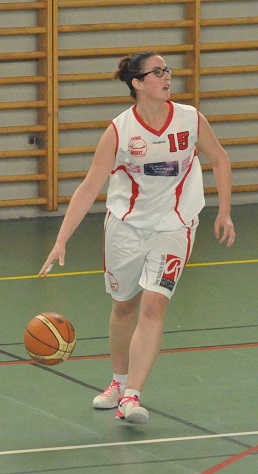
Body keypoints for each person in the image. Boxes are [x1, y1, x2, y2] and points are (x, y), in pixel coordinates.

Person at [39, 51, 235, 424]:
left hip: (174, 227)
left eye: (167, 70)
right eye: (157, 71)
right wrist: (61, 239)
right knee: (124, 306)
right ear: (137, 83)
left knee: (154, 306)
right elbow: (89, 186)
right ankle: (117, 381)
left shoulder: (190, 119)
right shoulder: (119, 131)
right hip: (126, 229)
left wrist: (223, 211)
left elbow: (220, 158)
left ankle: (132, 396)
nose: (166, 76)